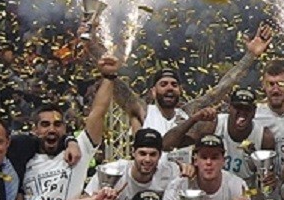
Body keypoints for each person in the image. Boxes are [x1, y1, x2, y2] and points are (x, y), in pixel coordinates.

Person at [5, 55, 116, 200]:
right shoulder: (25, 159)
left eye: (57, 124)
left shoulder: (79, 152)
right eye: (45, 125)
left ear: (65, 128)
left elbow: (98, 112)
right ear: (35, 130)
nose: (51, 129)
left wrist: (108, 77)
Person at [110, 22, 275, 162]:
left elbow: (222, 87)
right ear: (153, 91)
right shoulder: (145, 111)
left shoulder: (189, 111)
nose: (169, 88)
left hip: (180, 185)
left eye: (174, 84)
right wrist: (105, 67)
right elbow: (118, 88)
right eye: (163, 84)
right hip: (149, 182)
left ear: (180, 90)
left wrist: (250, 56)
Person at [82, 128, 182, 200]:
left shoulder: (170, 173)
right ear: (133, 152)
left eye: (153, 154)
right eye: (142, 153)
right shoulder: (111, 171)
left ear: (160, 155)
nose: (147, 159)